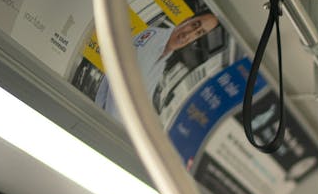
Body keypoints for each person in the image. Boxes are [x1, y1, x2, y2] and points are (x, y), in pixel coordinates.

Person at [92, 13, 221, 118]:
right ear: (186, 20)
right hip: (105, 118)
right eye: (194, 25)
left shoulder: (163, 61)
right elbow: (123, 86)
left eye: (198, 33)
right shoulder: (152, 37)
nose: (189, 35)